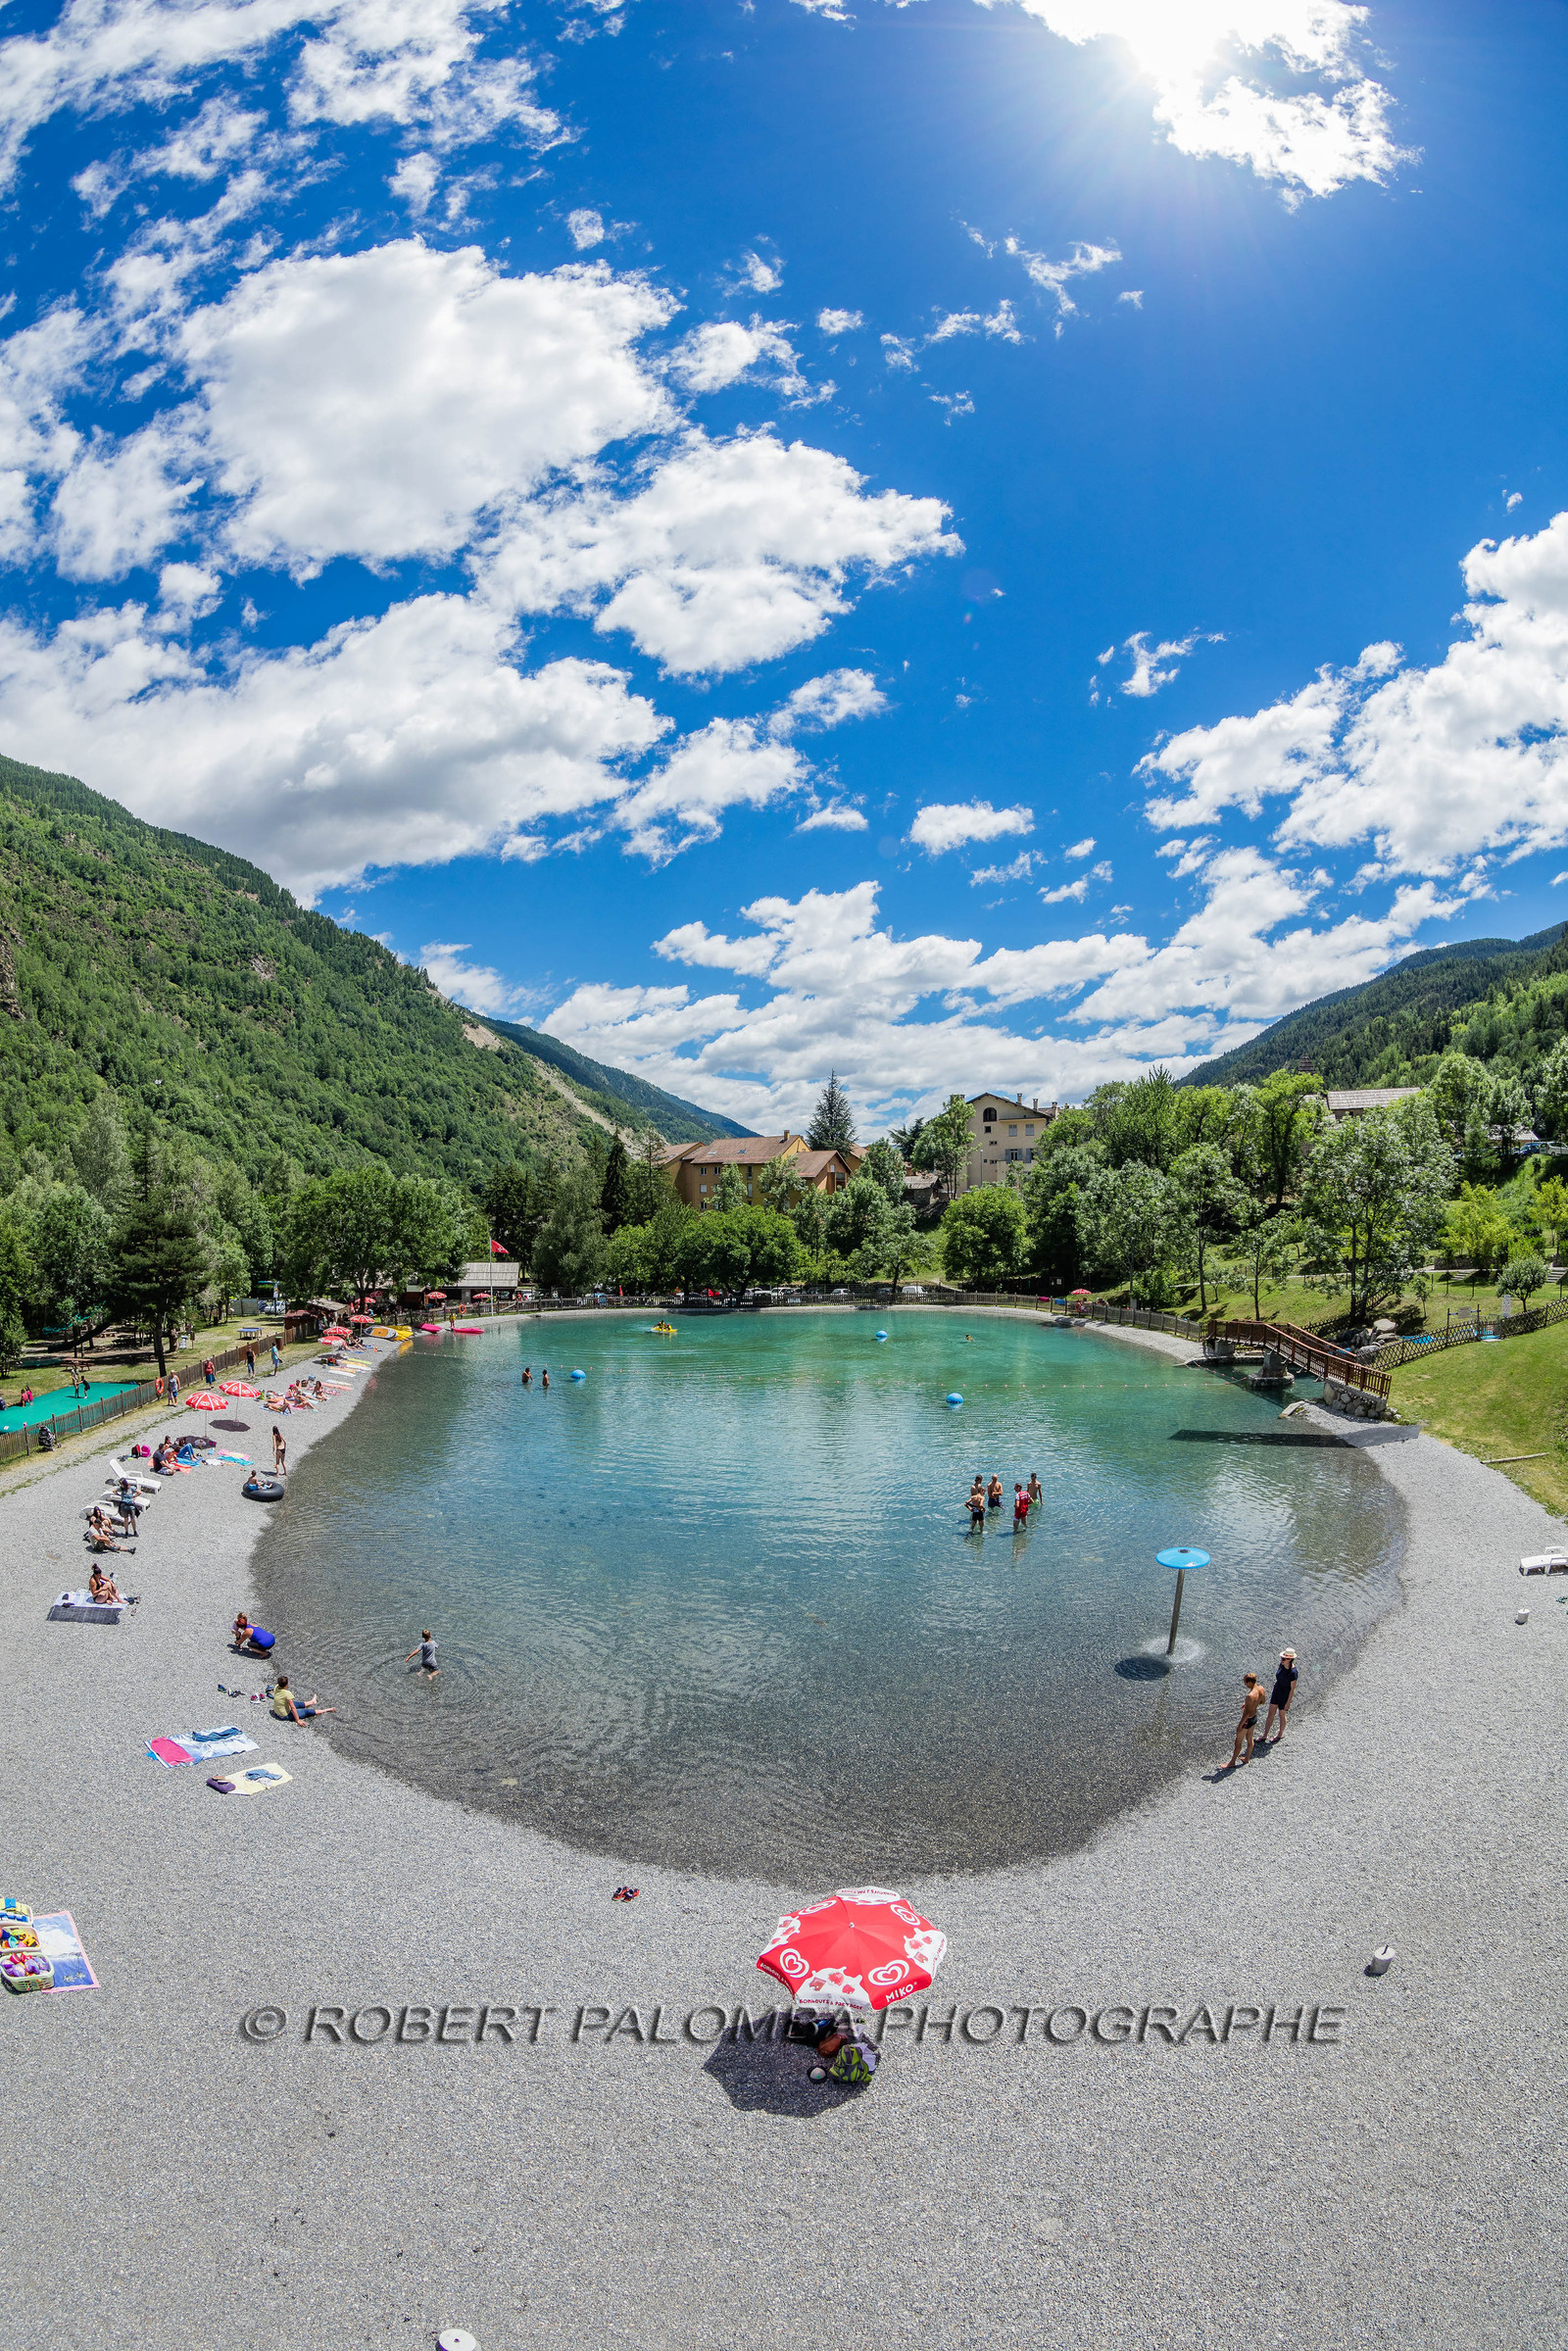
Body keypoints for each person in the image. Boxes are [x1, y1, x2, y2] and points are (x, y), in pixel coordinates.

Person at [1226, 1673, 1266, 1770]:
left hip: (1247, 1721)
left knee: (1238, 1742)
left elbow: (1246, 1713)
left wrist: (1240, 1725)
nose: (1244, 1684)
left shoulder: (1250, 1696)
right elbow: (1262, 1701)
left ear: (1250, 1683)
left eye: (1245, 1682)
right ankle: (1247, 1758)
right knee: (1250, 1738)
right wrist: (1251, 1705)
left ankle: (1232, 1762)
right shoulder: (1261, 1689)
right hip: (1254, 1718)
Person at [1262, 1649, 1298, 1742]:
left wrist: (1288, 1702)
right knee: (1271, 1714)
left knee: (1282, 1714)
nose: (1281, 1660)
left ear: (1289, 1660)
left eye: (1284, 1658)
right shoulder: (1281, 1666)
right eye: (1282, 1658)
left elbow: (1292, 1689)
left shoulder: (1293, 1672)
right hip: (1277, 1691)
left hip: (1285, 1695)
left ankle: (1280, 1734)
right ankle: (1265, 1735)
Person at [270, 1675, 335, 1723]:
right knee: (307, 1711)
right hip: (283, 1715)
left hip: (277, 1712)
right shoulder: (287, 1693)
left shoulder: (276, 1687)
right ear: (286, 1684)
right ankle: (327, 1710)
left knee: (296, 1703)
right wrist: (298, 1720)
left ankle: (312, 1702)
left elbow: (277, 1697)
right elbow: (293, 1708)